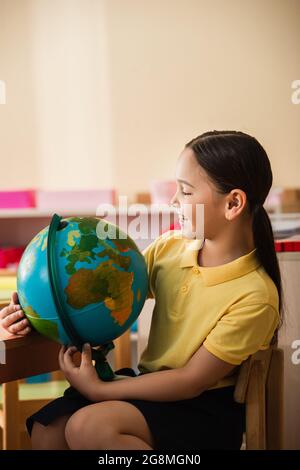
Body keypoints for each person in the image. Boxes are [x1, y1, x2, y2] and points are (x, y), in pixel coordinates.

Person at [0, 130, 281, 450]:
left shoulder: (255, 295)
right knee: (47, 431)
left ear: (233, 203)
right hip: (148, 388)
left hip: (202, 408)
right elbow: (109, 293)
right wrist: (36, 310)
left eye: (186, 192)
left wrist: (101, 391)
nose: (174, 200)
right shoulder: (169, 249)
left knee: (87, 427)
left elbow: (191, 381)